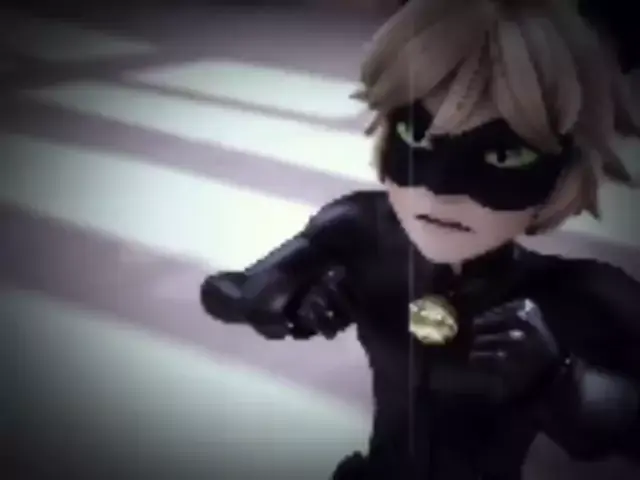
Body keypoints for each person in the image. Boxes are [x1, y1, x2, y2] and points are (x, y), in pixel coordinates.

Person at [200, 0, 640, 478]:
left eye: (504, 155)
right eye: (414, 132)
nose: (438, 191)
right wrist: (270, 300)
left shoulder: (581, 297)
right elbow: (225, 291)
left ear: (568, 168)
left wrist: (563, 383)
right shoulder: (360, 231)